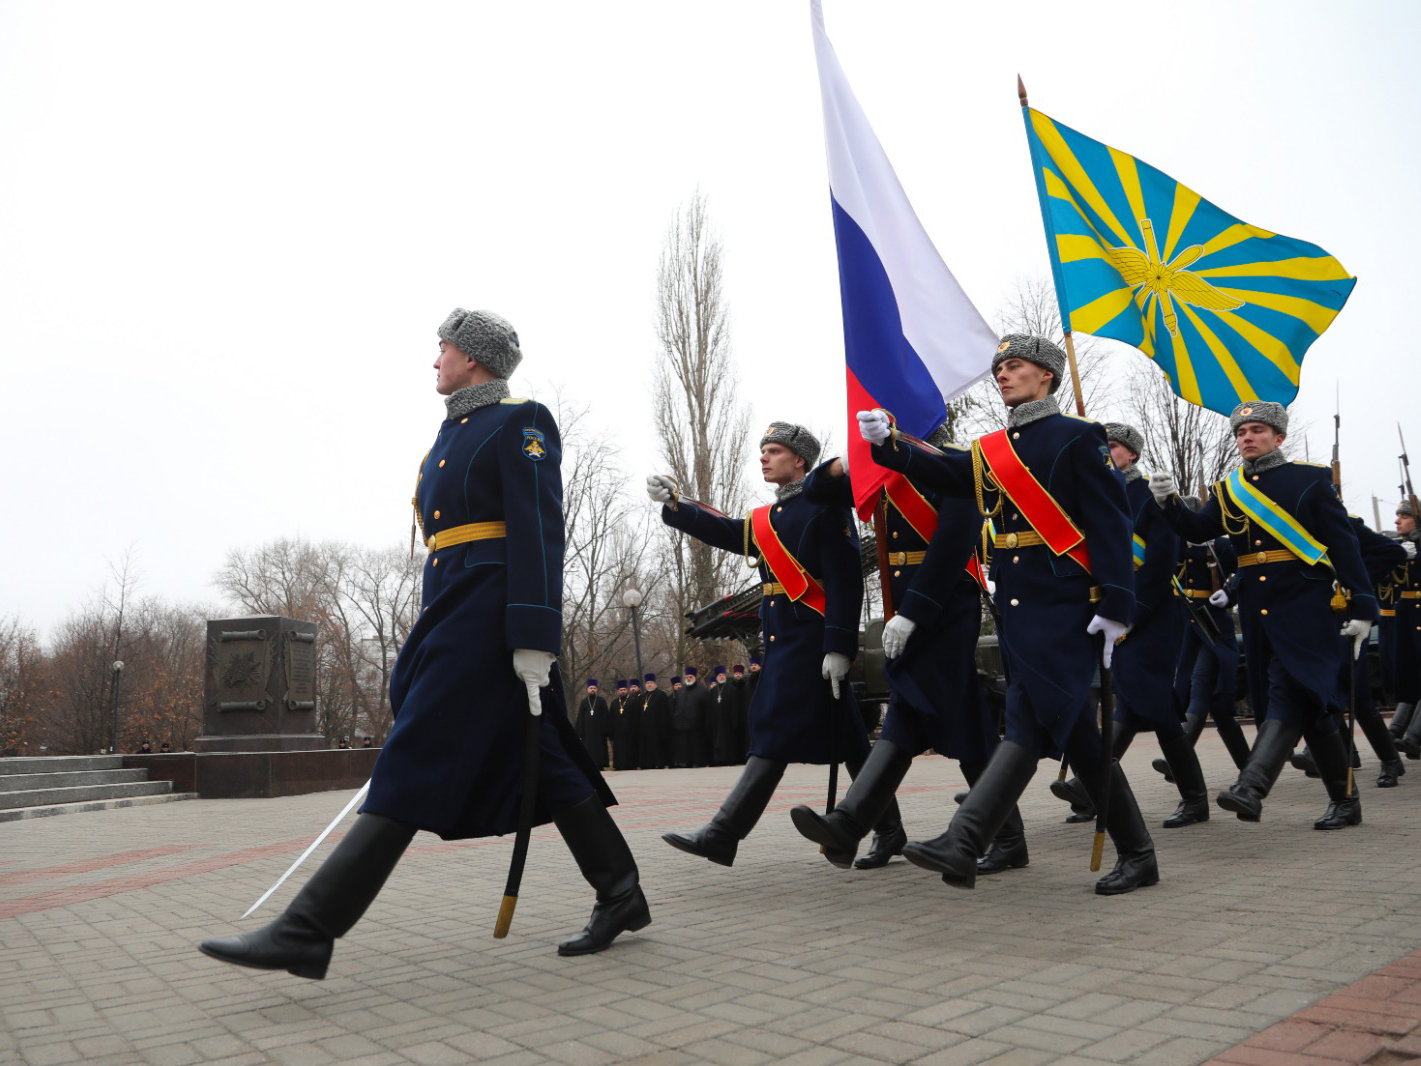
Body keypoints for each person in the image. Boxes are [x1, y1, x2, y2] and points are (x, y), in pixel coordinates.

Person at [198, 309, 650, 980]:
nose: (433, 360)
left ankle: (308, 929)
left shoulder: (519, 421)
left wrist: (533, 635)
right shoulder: (454, 432)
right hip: (453, 606)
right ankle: (620, 892)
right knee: (544, 756)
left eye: (441, 349)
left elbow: (537, 531)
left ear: (472, 358)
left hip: (491, 614)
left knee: (417, 751)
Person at [859, 334, 1156, 895]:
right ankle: (1139, 854)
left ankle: (965, 839)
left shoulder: (1078, 437)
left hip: (1067, 604)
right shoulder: (994, 448)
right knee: (1077, 737)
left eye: (1014, 366)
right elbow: (951, 474)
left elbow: (1111, 523)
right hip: (1020, 602)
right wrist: (892, 443)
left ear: (1046, 375)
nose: (1003, 375)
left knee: (1027, 723)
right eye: (999, 369)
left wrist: (1118, 604)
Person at [791, 414, 1028, 874]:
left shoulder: (956, 462)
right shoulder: (886, 469)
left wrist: (915, 612)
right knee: (942, 715)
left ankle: (851, 822)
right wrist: (847, 461)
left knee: (926, 710)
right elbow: (815, 490)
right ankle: (1004, 837)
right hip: (906, 606)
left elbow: (954, 543)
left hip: (943, 605)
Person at [649, 422, 880, 867]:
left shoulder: (823, 505)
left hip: (810, 640)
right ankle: (888, 829)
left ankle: (724, 832)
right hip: (782, 640)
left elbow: (845, 579)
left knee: (772, 730)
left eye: (774, 450)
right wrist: (678, 505)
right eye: (762, 450)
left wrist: (839, 645)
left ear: (799, 461)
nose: (764, 457)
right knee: (850, 740)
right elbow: (728, 532)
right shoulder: (766, 519)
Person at [1150, 400, 1377, 829]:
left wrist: (1364, 608)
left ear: (1278, 437)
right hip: (1257, 610)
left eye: (1256, 430)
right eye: (1241, 432)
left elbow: (1344, 545)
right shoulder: (1227, 489)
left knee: (1288, 692)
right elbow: (1199, 531)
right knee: (1313, 706)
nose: (1247, 438)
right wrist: (1169, 503)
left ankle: (1251, 786)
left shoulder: (1309, 481)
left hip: (1306, 605)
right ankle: (1346, 802)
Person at [1050, 423, 1208, 829]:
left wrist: (1129, 615)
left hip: (1149, 614)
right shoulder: (1096, 494)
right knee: (1138, 703)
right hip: (1112, 614)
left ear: (1131, 455)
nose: (1107, 453)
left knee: (1152, 703)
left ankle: (1192, 798)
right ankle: (1095, 791)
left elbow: (1159, 564)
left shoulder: (1147, 498)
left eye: (1114, 447)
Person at [1152, 518, 1252, 781]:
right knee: (1216, 707)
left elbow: (1245, 571)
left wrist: (1229, 593)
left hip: (1213, 624)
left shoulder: (1221, 547)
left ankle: (1178, 757)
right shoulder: (1178, 546)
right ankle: (1251, 768)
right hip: (1188, 623)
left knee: (1198, 683)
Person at [670, 667, 709, 768]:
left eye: (690, 677)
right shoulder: (681, 691)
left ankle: (699, 762)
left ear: (695, 677)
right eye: (687, 677)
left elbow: (706, 709)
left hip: (697, 726)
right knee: (685, 747)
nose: (688, 679)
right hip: (682, 726)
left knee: (697, 746)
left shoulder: (702, 691)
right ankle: (686, 762)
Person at [707, 666, 743, 766]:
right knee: (717, 740)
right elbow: (709, 708)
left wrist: (735, 721)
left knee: (728, 741)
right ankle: (718, 760)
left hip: (728, 721)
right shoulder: (712, 691)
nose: (721, 677)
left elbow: (736, 707)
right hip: (716, 721)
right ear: (716, 677)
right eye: (719, 675)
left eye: (723, 675)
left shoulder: (732, 689)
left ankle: (729, 759)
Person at [575, 680, 611, 769]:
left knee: (600, 749)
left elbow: (605, 716)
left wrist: (605, 730)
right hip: (587, 732)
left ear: (596, 689)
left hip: (599, 732)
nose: (592, 690)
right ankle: (589, 765)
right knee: (588, 749)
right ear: (587, 689)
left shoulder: (601, 701)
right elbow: (580, 718)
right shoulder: (584, 702)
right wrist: (580, 732)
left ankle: (600, 765)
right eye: (591, 688)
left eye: (594, 688)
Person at [637, 674, 670, 770]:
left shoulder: (661, 695)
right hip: (645, 728)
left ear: (655, 683)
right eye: (647, 683)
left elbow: (665, 713)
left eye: (651, 683)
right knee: (646, 746)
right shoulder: (642, 697)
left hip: (657, 727)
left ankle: (659, 763)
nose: (649, 685)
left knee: (657, 745)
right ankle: (648, 763)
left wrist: (663, 727)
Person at [613, 679, 641, 770]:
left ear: (627, 690)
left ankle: (631, 765)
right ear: (618, 691)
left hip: (630, 731)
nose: (623, 691)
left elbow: (636, 717)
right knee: (619, 750)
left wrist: (635, 729)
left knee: (630, 748)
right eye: (621, 690)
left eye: (624, 690)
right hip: (618, 732)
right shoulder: (614, 703)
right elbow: (611, 718)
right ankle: (619, 765)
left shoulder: (632, 701)